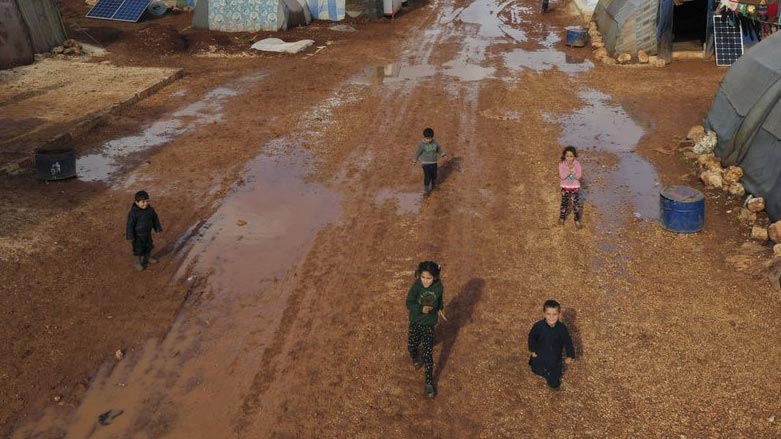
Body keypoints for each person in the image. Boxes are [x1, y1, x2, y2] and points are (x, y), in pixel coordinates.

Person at [406, 260, 447, 398]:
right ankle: (415, 356)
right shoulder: (417, 286)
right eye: (423, 277)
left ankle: (429, 383)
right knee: (412, 346)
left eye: (429, 278)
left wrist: (440, 308)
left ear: (435, 277)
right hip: (415, 322)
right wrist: (420, 309)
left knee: (428, 355)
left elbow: (439, 299)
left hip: (429, 324)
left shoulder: (439, 287)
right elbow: (409, 302)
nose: (425, 280)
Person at [528, 299, 575, 390]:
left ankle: (553, 382)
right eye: (548, 314)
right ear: (544, 314)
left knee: (554, 376)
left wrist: (570, 355)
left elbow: (568, 341)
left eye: (554, 314)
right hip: (540, 353)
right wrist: (533, 350)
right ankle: (543, 373)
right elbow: (531, 337)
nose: (551, 317)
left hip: (555, 356)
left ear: (559, 314)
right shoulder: (538, 326)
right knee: (539, 368)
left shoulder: (562, 328)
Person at [126, 190, 163, 271]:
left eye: (147, 201)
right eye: (143, 202)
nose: (145, 203)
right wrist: (130, 235)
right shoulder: (133, 213)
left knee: (148, 246)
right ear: (136, 202)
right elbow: (130, 225)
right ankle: (137, 262)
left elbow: (155, 219)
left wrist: (157, 227)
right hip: (137, 236)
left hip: (147, 233)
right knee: (138, 249)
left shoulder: (150, 210)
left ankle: (148, 257)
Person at [412, 128, 447, 195]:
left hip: (434, 163)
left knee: (434, 175)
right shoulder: (421, 145)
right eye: (427, 138)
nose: (428, 140)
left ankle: (434, 185)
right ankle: (426, 190)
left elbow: (439, 149)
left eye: (430, 138)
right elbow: (418, 153)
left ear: (432, 137)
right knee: (427, 176)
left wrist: (443, 155)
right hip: (425, 164)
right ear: (424, 137)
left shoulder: (435, 143)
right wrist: (415, 160)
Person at [558, 145, 583, 229]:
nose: (569, 158)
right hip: (565, 187)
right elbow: (562, 176)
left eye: (571, 156)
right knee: (564, 203)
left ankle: (577, 220)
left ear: (574, 156)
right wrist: (569, 170)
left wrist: (574, 170)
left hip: (575, 187)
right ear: (564, 156)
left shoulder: (577, 164)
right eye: (567, 156)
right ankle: (562, 218)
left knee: (575, 204)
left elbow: (579, 176)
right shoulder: (561, 164)